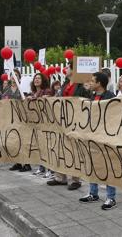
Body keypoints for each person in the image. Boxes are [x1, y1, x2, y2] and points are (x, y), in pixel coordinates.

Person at [47, 61, 91, 190]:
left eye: (68, 67)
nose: (65, 69)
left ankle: (75, 179)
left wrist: (87, 90)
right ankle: (60, 177)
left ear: (74, 69)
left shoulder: (82, 85)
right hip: (63, 119)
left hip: (75, 120)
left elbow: (87, 101)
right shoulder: (66, 83)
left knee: (74, 149)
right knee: (61, 147)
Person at [79, 72, 117, 210]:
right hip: (92, 136)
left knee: (108, 166)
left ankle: (111, 197)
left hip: (105, 137)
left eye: (93, 81)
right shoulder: (91, 96)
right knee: (92, 165)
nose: (91, 82)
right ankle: (93, 193)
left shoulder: (110, 97)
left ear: (99, 83)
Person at [28, 73, 53, 176]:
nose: (36, 80)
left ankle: (50, 169)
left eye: (39, 78)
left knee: (46, 146)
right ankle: (41, 167)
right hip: (36, 122)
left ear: (43, 80)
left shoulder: (47, 91)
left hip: (45, 122)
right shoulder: (33, 92)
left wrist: (33, 99)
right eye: (35, 78)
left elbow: (45, 101)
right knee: (40, 146)